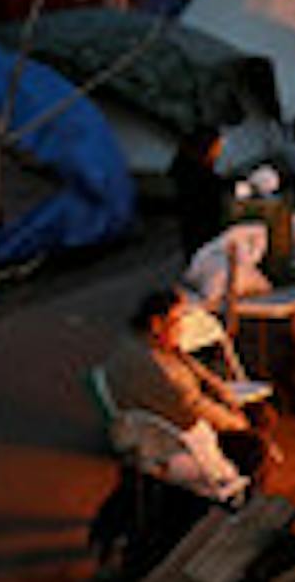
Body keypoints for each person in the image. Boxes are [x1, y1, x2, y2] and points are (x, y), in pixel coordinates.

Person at [101, 287, 269, 480]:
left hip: (168, 418)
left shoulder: (144, 342)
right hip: (174, 437)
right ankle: (240, 491)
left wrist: (226, 397)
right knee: (254, 445)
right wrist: (238, 423)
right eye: (177, 321)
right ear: (157, 324)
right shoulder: (157, 368)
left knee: (258, 414)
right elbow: (193, 408)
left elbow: (199, 373)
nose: (182, 328)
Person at [167, 127, 228, 263]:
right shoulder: (198, 174)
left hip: (193, 227)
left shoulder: (186, 168)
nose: (219, 151)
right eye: (217, 147)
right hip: (201, 227)